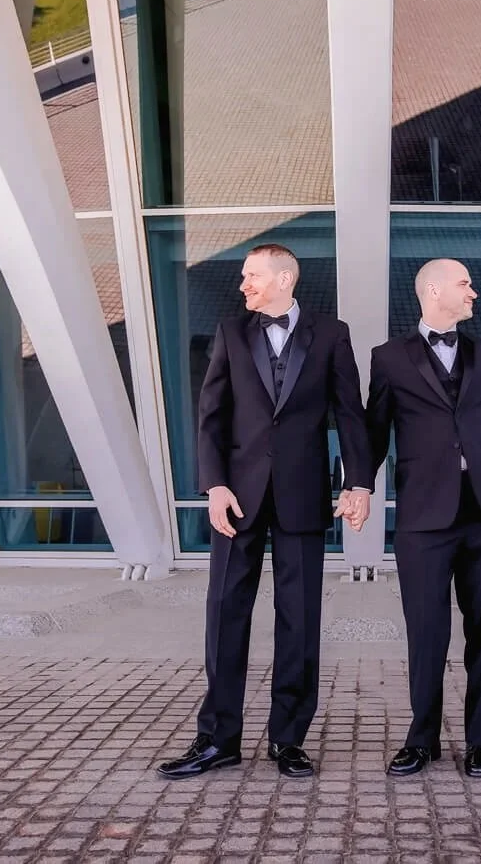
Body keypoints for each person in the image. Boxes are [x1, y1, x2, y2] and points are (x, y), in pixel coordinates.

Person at [157, 244, 373, 780]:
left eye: (251, 275)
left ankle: (288, 740)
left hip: (303, 495)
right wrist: (214, 486)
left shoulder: (332, 334)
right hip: (238, 498)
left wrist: (359, 482)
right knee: (225, 616)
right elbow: (211, 415)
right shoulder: (231, 334)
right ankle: (218, 739)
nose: (243, 285)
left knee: (300, 620)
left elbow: (350, 412)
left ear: (283, 278)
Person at [363, 258, 481, 778]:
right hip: (423, 518)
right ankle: (422, 739)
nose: (474, 292)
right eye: (465, 284)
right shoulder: (388, 358)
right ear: (434, 290)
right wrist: (357, 484)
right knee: (426, 632)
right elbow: (374, 432)